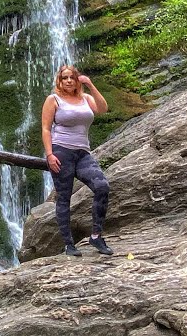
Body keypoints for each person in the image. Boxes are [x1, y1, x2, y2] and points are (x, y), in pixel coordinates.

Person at [41, 64, 113, 256]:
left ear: (77, 79)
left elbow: (103, 109)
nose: (69, 81)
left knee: (102, 186)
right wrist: (49, 154)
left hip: (83, 153)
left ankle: (96, 236)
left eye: (72, 77)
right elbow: (46, 128)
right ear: (60, 80)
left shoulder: (85, 98)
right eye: (65, 78)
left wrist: (90, 84)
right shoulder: (53, 99)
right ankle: (68, 244)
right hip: (61, 151)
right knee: (63, 198)